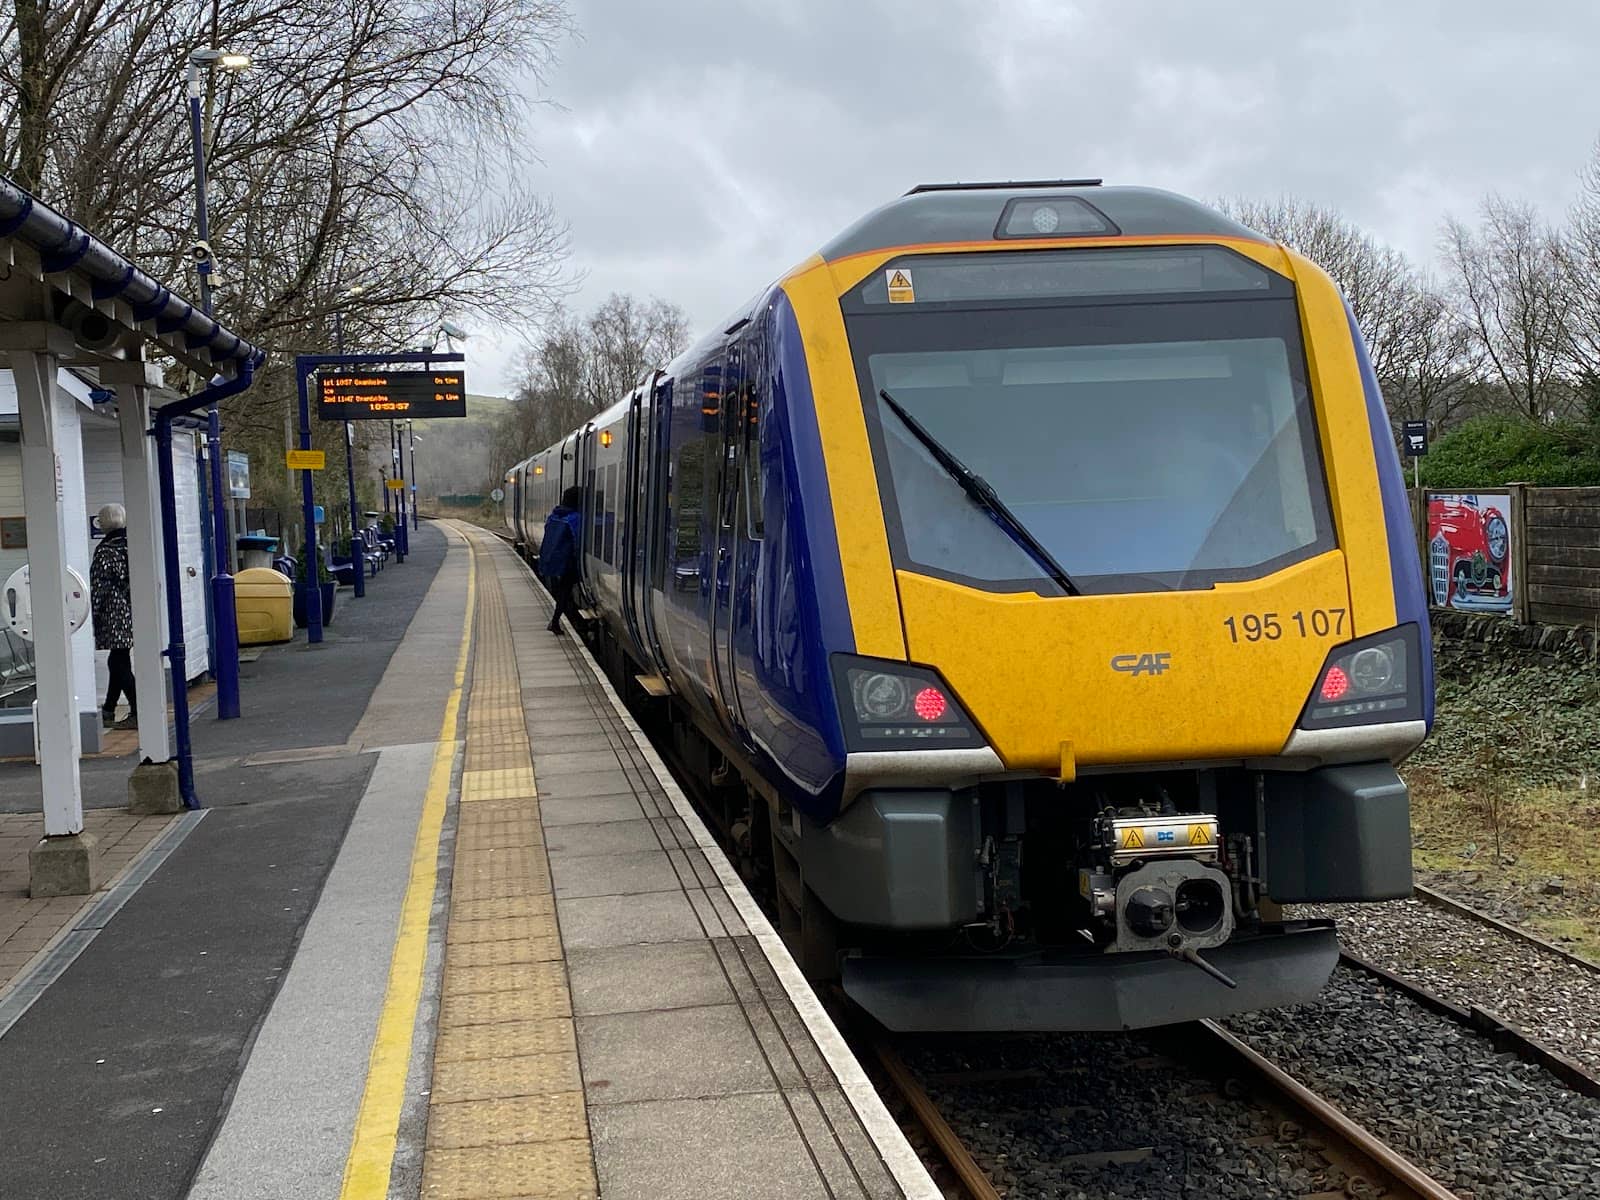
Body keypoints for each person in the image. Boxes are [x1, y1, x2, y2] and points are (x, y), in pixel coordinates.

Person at [90, 503, 137, 730]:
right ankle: (109, 709)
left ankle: (138, 709)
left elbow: (99, 586)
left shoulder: (105, 550)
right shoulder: (132, 544)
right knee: (118, 659)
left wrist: (92, 613)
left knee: (118, 661)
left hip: (114, 611)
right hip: (133, 609)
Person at [541, 486, 586, 635]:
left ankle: (557, 621)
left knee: (563, 591)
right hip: (570, 562)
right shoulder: (575, 519)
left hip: (556, 561)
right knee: (566, 591)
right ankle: (556, 622)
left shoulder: (555, 516)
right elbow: (579, 539)